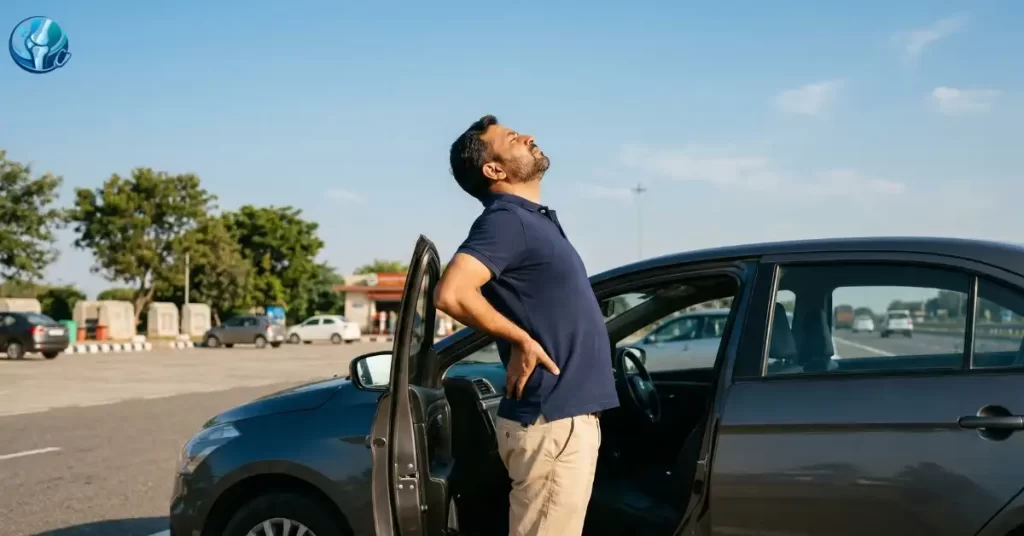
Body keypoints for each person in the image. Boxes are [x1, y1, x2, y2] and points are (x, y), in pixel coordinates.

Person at [434, 115, 619, 536]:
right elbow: (452, 293)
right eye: (514, 139)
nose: (530, 137)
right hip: (552, 420)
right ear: (493, 170)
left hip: (561, 419)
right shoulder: (506, 220)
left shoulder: (530, 220)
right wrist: (518, 337)